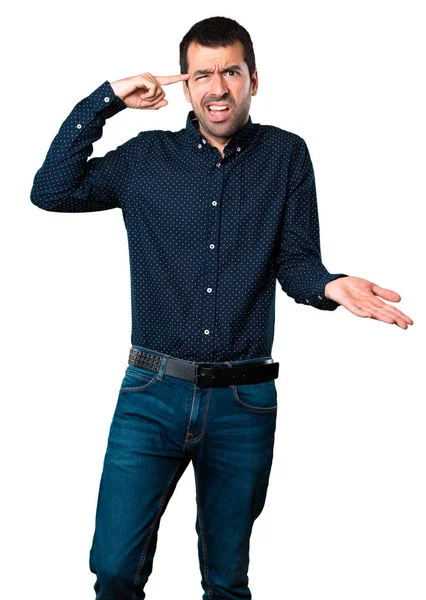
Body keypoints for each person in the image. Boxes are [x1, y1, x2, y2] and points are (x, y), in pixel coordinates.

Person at [30, 15, 413, 600]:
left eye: (230, 72)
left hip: (244, 400)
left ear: (253, 79)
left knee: (227, 582)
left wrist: (330, 286)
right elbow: (51, 190)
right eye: (202, 74)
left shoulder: (286, 155)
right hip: (150, 395)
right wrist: (108, 99)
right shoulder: (144, 159)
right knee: (113, 569)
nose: (217, 87)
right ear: (185, 84)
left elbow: (298, 263)